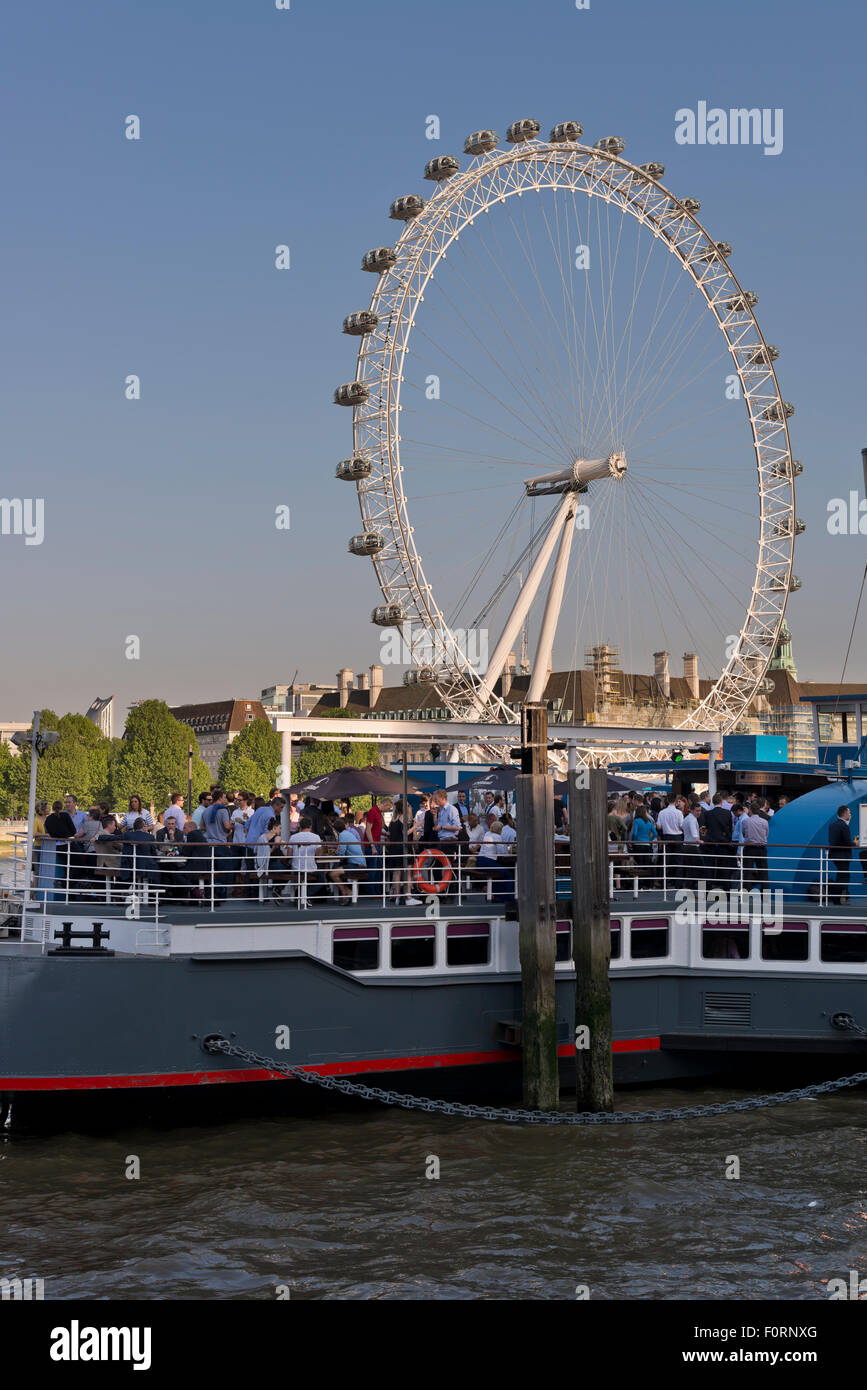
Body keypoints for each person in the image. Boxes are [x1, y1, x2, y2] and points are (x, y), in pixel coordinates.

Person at [202, 788, 233, 900]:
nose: (226, 799)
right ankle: (220, 894)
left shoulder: (206, 810)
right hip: (220, 844)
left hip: (208, 845)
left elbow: (202, 827)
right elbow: (226, 826)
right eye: (224, 797)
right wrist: (231, 827)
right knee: (222, 872)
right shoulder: (223, 810)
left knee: (211, 871)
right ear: (220, 798)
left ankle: (211, 892)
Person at [288, 816, 325, 904]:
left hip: (296, 868)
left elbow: (289, 855)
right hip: (311, 869)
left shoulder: (293, 837)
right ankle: (306, 895)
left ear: (300, 826)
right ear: (310, 826)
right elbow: (319, 855)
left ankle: (301, 896)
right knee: (322, 879)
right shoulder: (316, 837)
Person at [829, 805, 857, 905]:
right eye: (849, 813)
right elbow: (847, 842)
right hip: (843, 855)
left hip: (835, 855)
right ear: (845, 814)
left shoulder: (832, 825)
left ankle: (836, 898)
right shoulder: (844, 826)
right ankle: (835, 898)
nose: (850, 814)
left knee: (842, 875)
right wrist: (856, 844)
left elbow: (835, 840)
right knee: (844, 877)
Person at [741, 800, 769, 889]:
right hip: (761, 848)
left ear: (750, 810)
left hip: (749, 848)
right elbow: (766, 834)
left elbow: (743, 833)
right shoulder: (765, 822)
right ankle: (765, 896)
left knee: (747, 872)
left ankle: (745, 895)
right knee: (764, 872)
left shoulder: (745, 821)